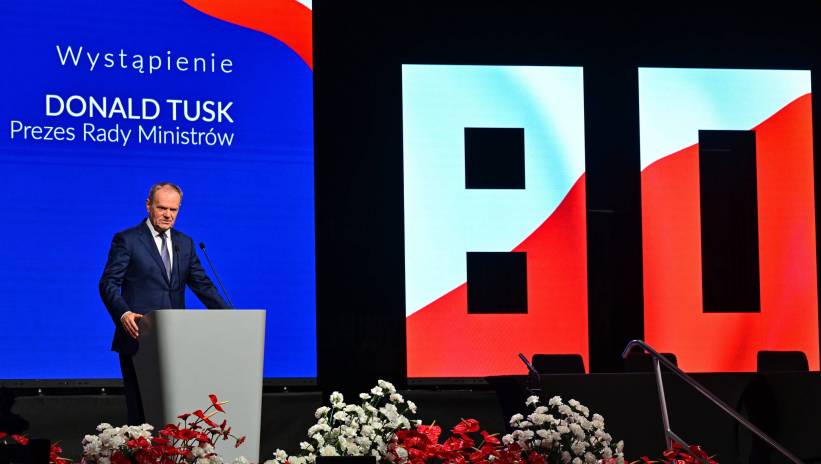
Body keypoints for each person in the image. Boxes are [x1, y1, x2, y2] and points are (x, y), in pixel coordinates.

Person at [99, 182, 228, 424]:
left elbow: (203, 285)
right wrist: (124, 313)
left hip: (176, 340)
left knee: (175, 413)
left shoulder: (185, 243)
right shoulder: (127, 240)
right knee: (142, 414)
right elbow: (108, 283)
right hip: (138, 337)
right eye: (162, 208)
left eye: (173, 209)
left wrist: (231, 317)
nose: (168, 214)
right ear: (148, 205)